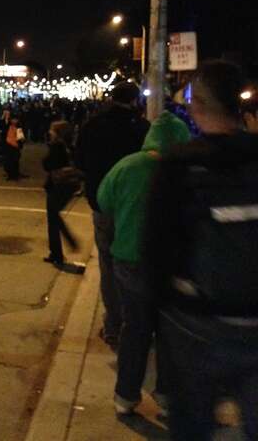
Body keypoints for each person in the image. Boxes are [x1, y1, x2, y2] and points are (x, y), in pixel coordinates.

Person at [143, 61, 258, 439]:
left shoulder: (180, 164)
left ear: (197, 106)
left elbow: (155, 249)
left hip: (196, 322)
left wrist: (159, 308)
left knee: (192, 422)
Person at [97, 111, 191, 416]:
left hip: (129, 259)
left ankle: (125, 395)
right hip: (172, 265)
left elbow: (104, 202)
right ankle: (166, 394)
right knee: (169, 333)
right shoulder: (186, 169)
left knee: (135, 329)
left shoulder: (126, 166)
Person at [75, 81, 149, 348]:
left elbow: (80, 161)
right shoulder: (142, 128)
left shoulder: (93, 125)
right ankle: (134, 323)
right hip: (134, 206)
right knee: (133, 264)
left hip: (102, 205)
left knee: (108, 266)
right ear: (135, 100)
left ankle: (115, 325)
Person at [42, 121, 81, 266]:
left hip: (58, 184)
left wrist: (50, 147)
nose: (50, 132)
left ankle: (62, 248)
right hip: (68, 185)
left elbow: (47, 164)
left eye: (52, 130)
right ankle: (58, 251)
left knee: (53, 217)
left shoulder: (57, 146)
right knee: (53, 216)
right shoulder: (69, 145)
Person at [3, 115, 24, 180]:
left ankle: (15, 174)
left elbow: (21, 139)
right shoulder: (8, 126)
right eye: (13, 119)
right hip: (8, 146)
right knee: (8, 161)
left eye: (15, 119)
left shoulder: (18, 128)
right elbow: (1, 125)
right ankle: (10, 174)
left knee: (15, 161)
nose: (14, 121)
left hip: (15, 146)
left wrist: (20, 146)